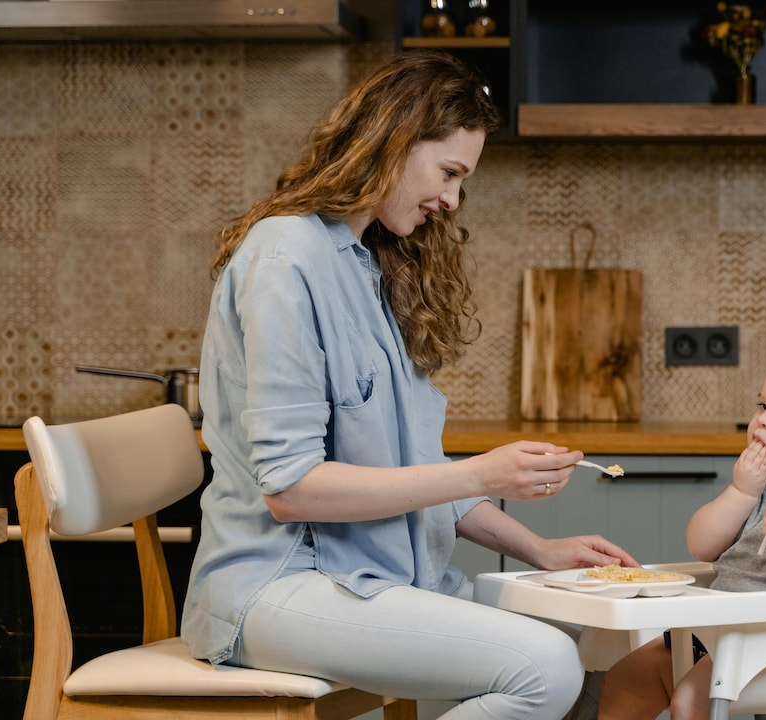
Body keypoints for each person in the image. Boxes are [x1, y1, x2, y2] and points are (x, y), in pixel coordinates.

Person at [180, 49, 638, 720]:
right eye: (449, 173)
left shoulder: (367, 266)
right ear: (393, 141)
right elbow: (291, 489)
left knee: (597, 644)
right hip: (277, 586)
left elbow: (412, 468)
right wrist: (480, 474)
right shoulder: (286, 257)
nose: (451, 200)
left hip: (368, 577)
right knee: (544, 668)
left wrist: (538, 549)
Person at [596, 348, 766, 720]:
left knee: (691, 700)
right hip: (715, 632)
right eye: (762, 405)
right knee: (626, 679)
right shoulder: (758, 486)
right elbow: (701, 546)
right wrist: (741, 492)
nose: (763, 420)